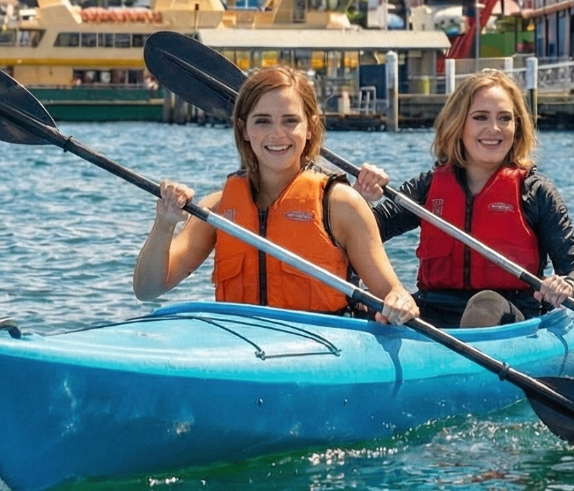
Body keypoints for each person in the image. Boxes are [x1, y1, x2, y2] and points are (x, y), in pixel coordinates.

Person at [132, 66, 418, 324]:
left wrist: (400, 302)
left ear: (310, 128)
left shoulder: (342, 204)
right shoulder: (217, 209)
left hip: (319, 347)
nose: (277, 134)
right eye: (262, 121)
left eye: (290, 121)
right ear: (244, 129)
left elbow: (393, 292)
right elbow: (148, 289)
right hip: (240, 342)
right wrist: (164, 223)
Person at [352, 69, 574, 330]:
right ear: (459, 124)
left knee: (484, 303)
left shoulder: (536, 192)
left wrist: (567, 286)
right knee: (378, 306)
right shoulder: (428, 187)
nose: (494, 128)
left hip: (509, 315)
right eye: (480, 117)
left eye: (505, 118)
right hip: (434, 309)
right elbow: (356, 235)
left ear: (517, 127)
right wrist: (360, 198)